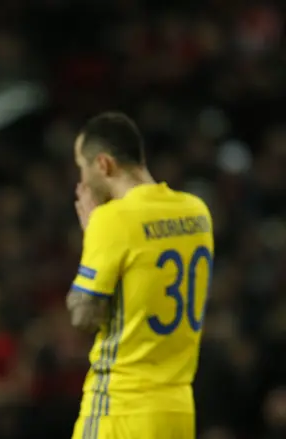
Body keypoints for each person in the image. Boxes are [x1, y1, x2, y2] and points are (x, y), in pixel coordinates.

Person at [67, 112, 214, 439]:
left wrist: (94, 238)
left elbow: (83, 315)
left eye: (82, 166)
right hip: (177, 409)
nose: (82, 179)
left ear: (104, 164)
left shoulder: (112, 221)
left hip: (120, 408)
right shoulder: (197, 212)